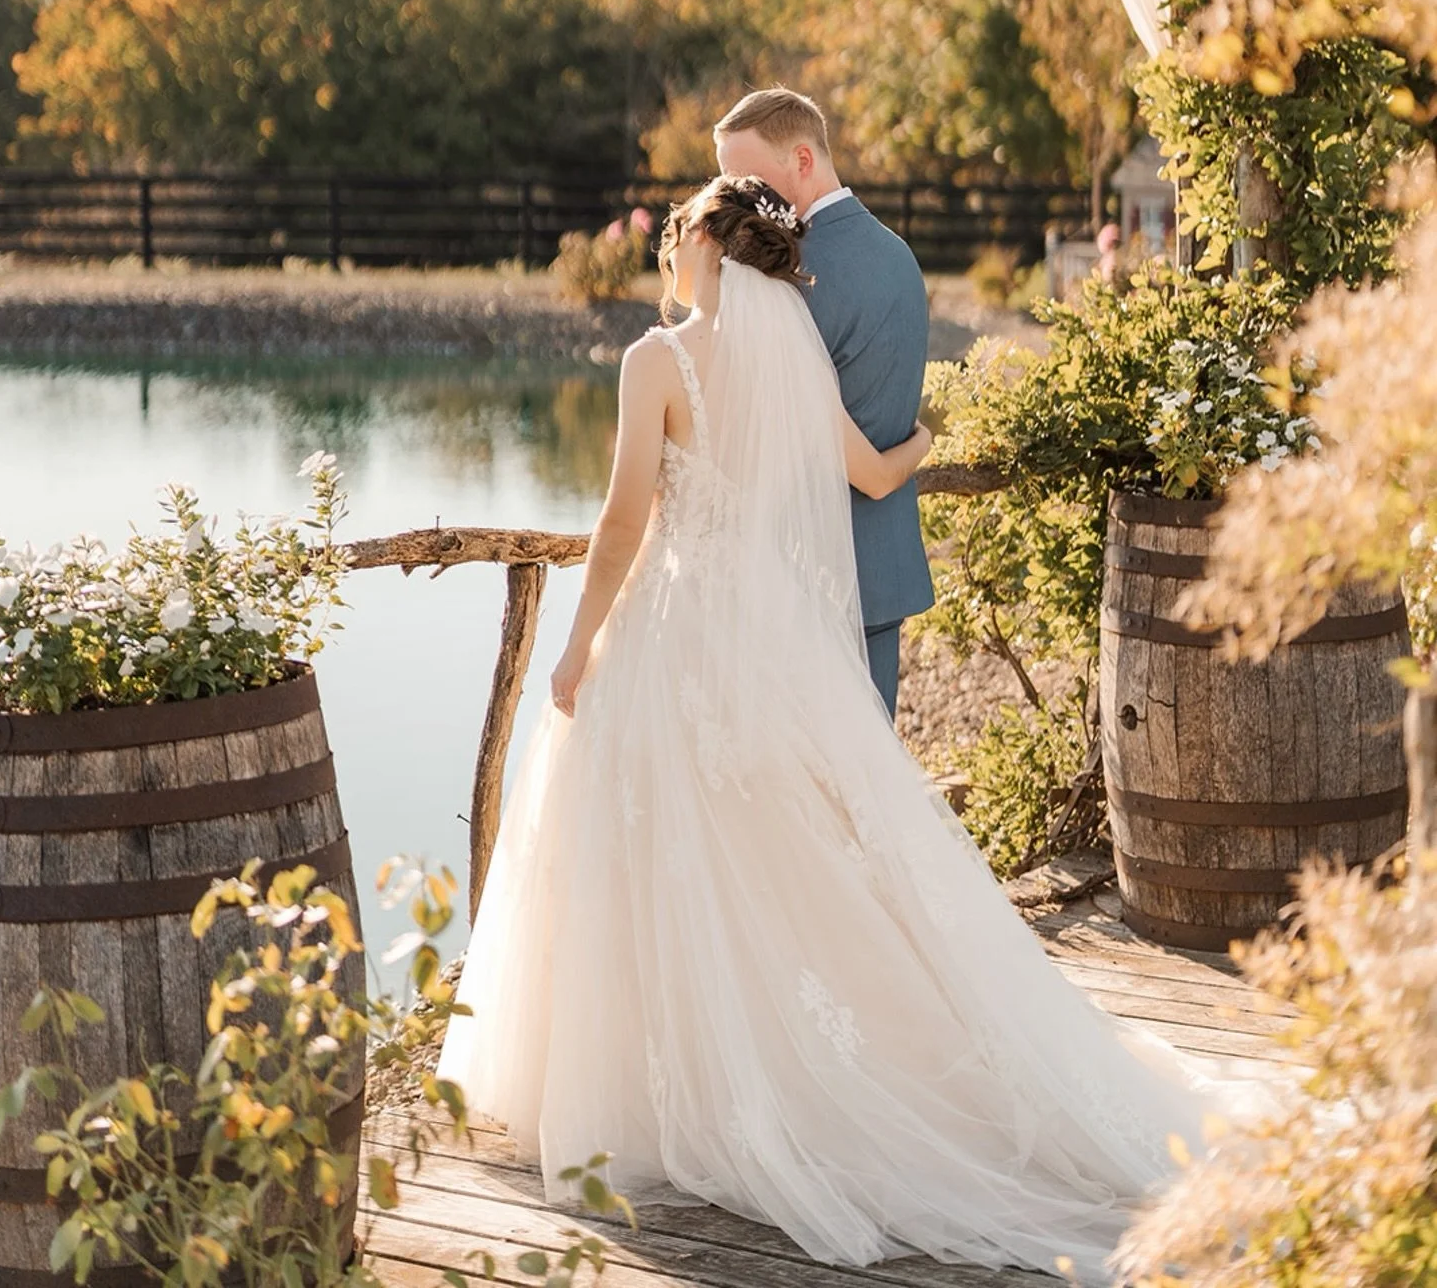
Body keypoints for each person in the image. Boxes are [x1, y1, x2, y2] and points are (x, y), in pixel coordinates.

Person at [439, 175, 1253, 1285]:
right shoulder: (792, 363)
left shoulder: (656, 361)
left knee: (655, 847)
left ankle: (673, 1077)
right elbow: (869, 471)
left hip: (677, 631)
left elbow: (625, 519)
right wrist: (928, 437)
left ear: (708, 249)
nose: (669, 251)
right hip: (770, 638)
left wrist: (577, 646)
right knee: (789, 855)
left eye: (678, 233)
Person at [713, 88, 932, 717]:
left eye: (745, 178)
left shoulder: (782, 280)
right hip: (881, 573)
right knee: (866, 793)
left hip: (802, 576)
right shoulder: (901, 258)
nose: (731, 198)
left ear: (803, 160)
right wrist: (923, 441)